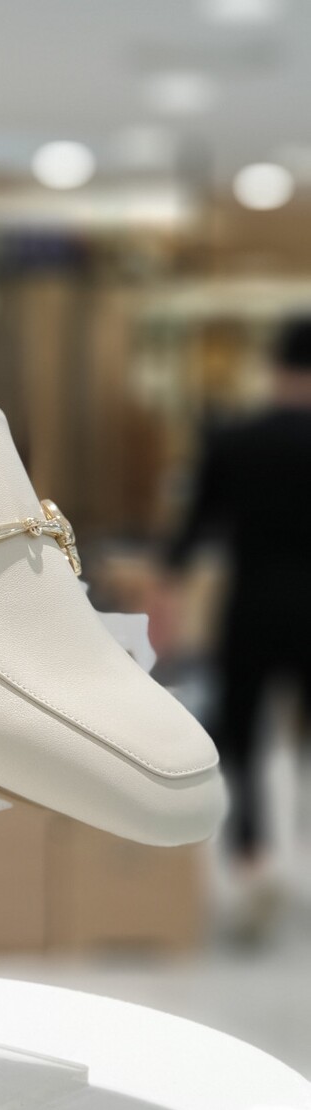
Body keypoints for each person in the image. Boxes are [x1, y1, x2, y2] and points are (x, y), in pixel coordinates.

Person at [165, 316, 311, 933]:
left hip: (252, 608)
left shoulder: (235, 441)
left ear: (274, 370)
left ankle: (253, 865)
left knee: (244, 742)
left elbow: (189, 538)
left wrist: (168, 586)